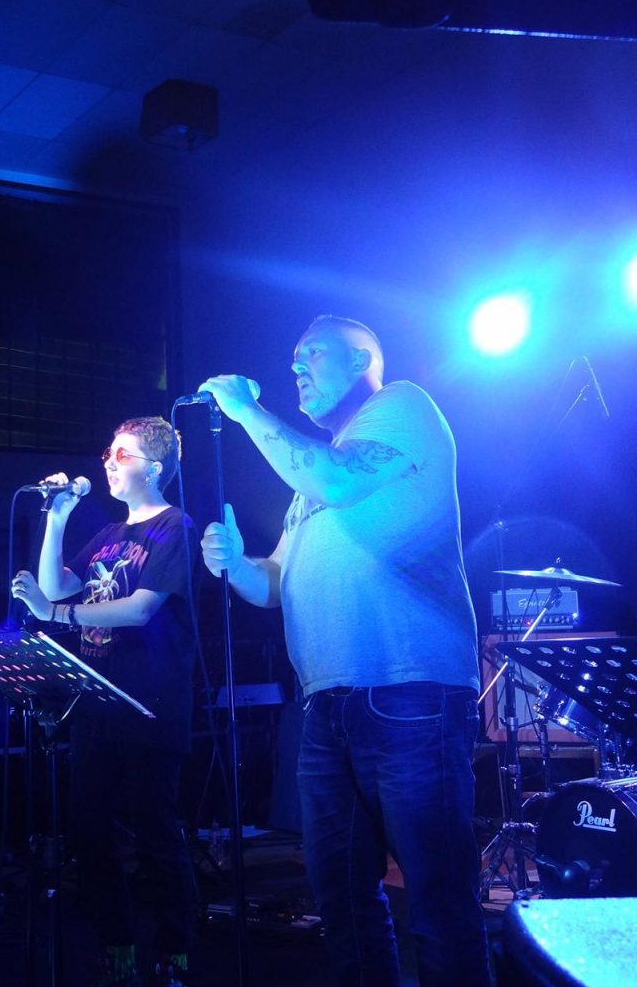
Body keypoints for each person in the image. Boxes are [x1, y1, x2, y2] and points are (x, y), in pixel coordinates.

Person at [199, 316, 492, 987]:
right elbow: (274, 583)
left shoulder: (403, 406)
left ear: (362, 359)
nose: (295, 367)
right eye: (292, 357)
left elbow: (336, 482)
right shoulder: (313, 468)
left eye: (312, 354)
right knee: (342, 902)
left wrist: (246, 412)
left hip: (408, 692)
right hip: (326, 702)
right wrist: (236, 563)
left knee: (438, 903)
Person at [11, 416, 199, 987]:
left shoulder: (174, 526)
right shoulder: (111, 534)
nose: (109, 463)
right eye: (109, 453)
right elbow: (58, 585)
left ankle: (175, 951)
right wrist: (57, 517)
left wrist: (56, 614)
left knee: (154, 831)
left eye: (122, 454)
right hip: (95, 703)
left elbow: (140, 609)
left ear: (154, 468)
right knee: (89, 832)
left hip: (148, 702)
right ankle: (117, 945)